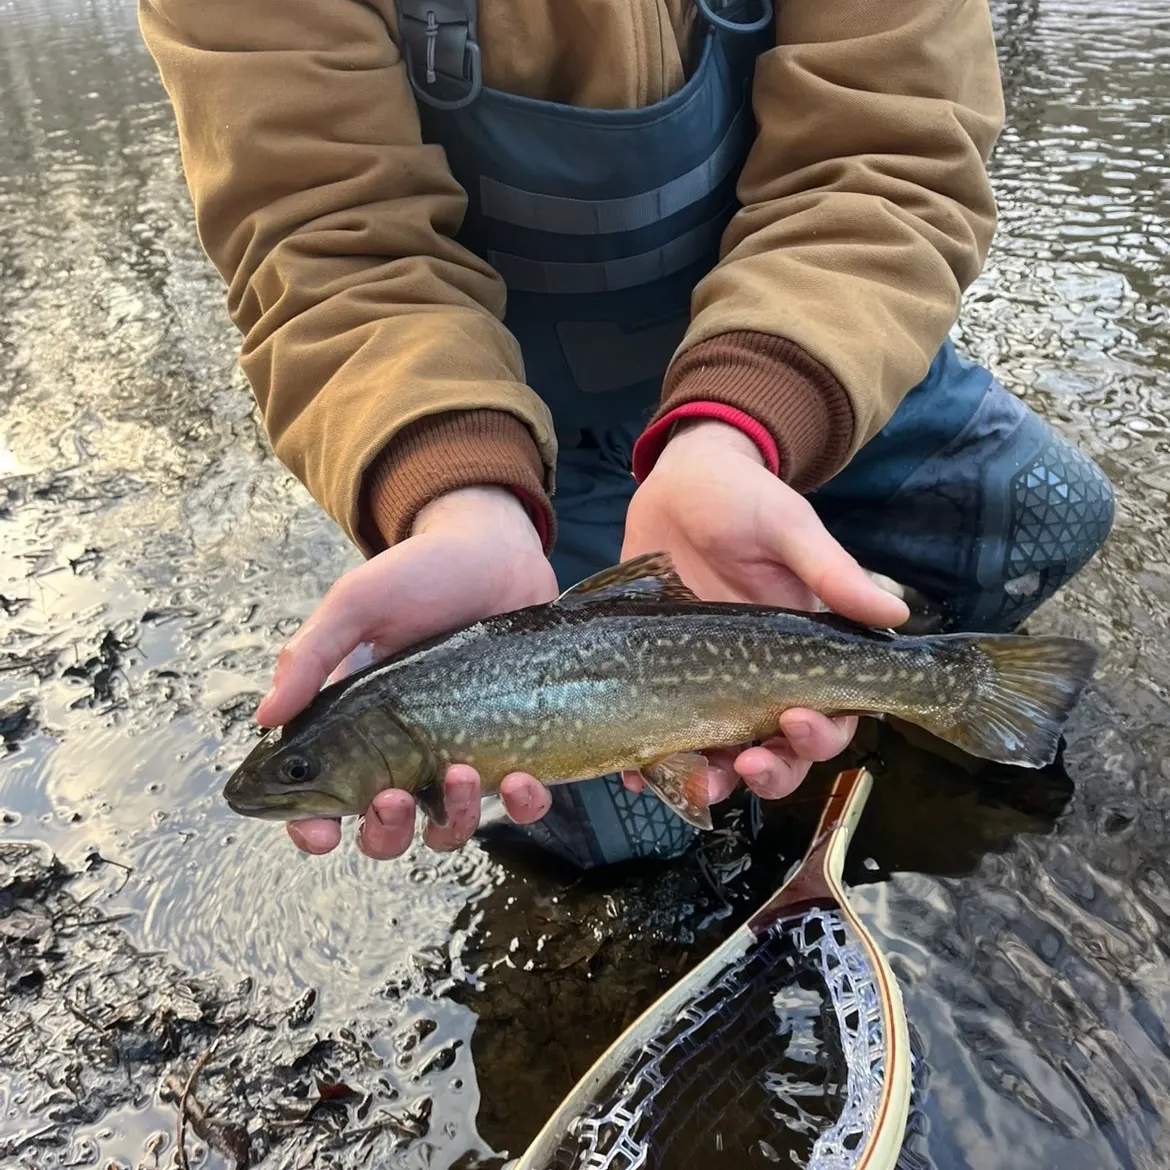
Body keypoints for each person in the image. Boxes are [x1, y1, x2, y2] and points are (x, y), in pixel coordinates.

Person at [139, 0, 1114, 870]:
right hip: (518, 428)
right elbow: (327, 247)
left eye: (303, 769)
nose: (295, 781)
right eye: (303, 770)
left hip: (810, 340)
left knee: (1048, 511)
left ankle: (927, 699)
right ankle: (894, 693)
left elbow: (893, 157)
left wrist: (737, 425)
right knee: (624, 837)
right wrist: (456, 493)